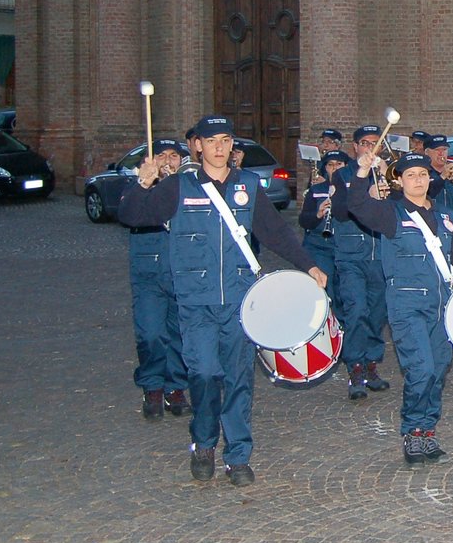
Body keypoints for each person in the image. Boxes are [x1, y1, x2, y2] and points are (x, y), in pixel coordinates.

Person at [119, 115, 326, 485]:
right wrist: (143, 182)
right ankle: (203, 441)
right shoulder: (178, 187)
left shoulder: (248, 185)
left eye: (225, 140)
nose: (219, 147)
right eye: (210, 140)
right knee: (203, 374)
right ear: (197, 145)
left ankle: (238, 455)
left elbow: (275, 232)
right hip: (196, 302)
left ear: (232, 145)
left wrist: (308, 264)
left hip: (240, 301)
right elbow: (134, 215)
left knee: (238, 378)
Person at [342, 150, 453, 463]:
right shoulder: (390, 214)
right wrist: (360, 173)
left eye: (422, 174)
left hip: (442, 305)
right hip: (407, 305)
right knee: (420, 368)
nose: (418, 180)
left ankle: (428, 430)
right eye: (410, 175)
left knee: (438, 368)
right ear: (399, 180)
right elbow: (356, 205)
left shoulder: (446, 214)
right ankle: (412, 430)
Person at [130, 139, 192, 420]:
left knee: (180, 333)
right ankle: (152, 385)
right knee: (151, 333)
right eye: (162, 156)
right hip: (150, 273)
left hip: (182, 271)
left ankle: (175, 386)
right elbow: (128, 214)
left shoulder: (189, 187)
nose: (168, 161)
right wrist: (145, 184)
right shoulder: (140, 187)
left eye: (174, 156)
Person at [330, 125, 392, 399]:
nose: (370, 148)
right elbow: (342, 213)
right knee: (356, 310)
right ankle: (354, 365)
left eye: (375, 143)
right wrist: (366, 193)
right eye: (365, 143)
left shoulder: (387, 172)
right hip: (351, 254)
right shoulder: (343, 174)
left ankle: (371, 363)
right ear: (355, 147)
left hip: (381, 254)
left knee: (378, 313)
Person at [298, 149, 349, 305]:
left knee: (345, 292)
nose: (335, 168)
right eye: (330, 165)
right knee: (326, 290)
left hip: (345, 246)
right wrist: (318, 214)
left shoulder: (354, 190)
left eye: (339, 164)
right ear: (325, 168)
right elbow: (303, 221)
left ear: (346, 166)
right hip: (320, 246)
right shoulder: (316, 191)